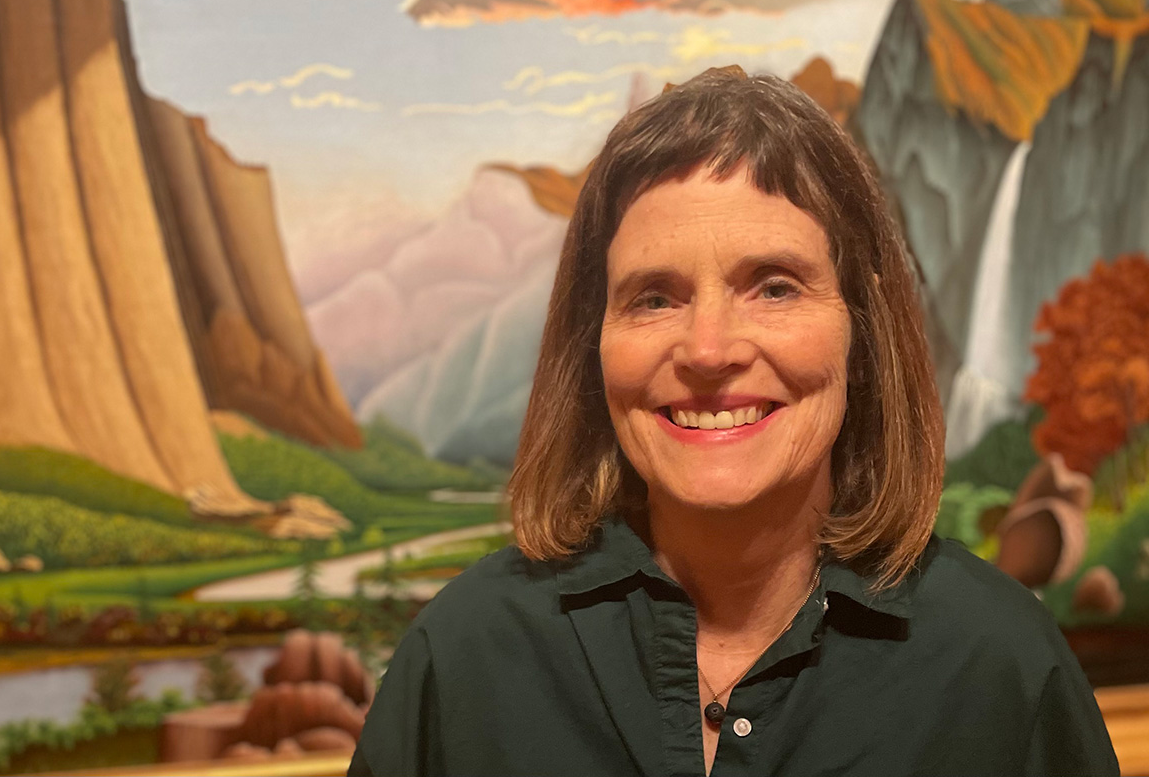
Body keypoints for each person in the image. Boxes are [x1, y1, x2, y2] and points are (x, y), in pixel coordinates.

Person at [348, 67, 1118, 777]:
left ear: (862, 333)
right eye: (654, 297)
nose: (708, 350)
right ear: (595, 344)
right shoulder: (462, 659)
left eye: (775, 287)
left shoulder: (1000, 666)